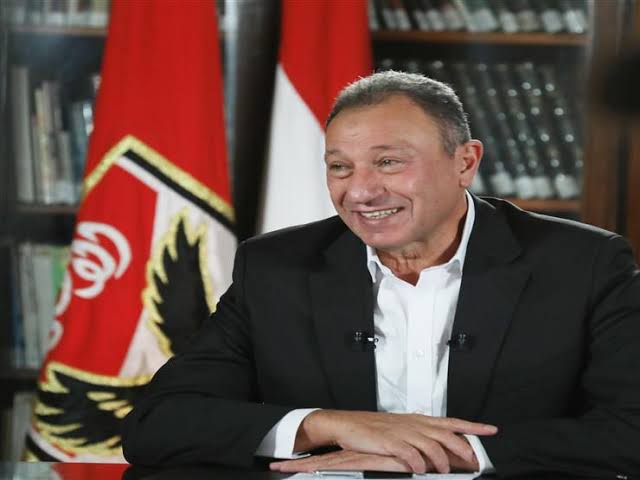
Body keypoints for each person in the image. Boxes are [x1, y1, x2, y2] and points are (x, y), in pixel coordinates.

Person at [122, 71, 640, 477]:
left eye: (389, 162)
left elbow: (631, 429)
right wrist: (330, 425)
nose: (361, 191)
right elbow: (158, 423)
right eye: (340, 167)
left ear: (465, 162)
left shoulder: (584, 264)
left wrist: (448, 451)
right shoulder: (276, 267)